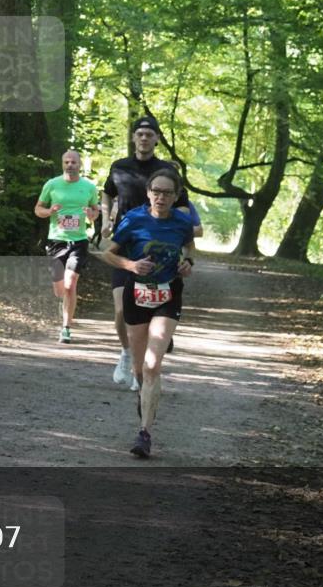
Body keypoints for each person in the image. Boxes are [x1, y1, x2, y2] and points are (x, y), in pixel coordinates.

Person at [100, 166, 194, 458]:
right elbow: (108, 253)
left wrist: (188, 262)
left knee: (153, 365)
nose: (161, 197)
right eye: (156, 191)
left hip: (168, 294)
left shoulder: (182, 222)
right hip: (137, 295)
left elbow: (189, 247)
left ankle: (144, 433)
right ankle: (145, 397)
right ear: (148, 193)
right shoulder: (133, 219)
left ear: (176, 196)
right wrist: (131, 265)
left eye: (167, 193)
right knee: (140, 369)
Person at [100, 116, 199, 390]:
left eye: (149, 134)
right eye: (140, 134)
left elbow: (182, 206)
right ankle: (127, 354)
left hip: (157, 251)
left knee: (154, 309)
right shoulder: (119, 167)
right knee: (121, 309)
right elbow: (107, 193)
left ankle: (146, 362)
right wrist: (107, 218)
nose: (144, 138)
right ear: (133, 137)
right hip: (125, 246)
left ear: (156, 139)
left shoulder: (165, 171)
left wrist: (176, 233)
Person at [34, 150, 100, 343]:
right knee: (60, 290)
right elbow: (38, 209)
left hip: (78, 241)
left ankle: (66, 327)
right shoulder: (52, 185)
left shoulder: (88, 187)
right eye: (66, 162)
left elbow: (95, 211)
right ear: (62, 164)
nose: (70, 165)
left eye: (73, 162)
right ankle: (63, 303)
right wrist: (49, 211)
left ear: (79, 165)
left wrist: (91, 214)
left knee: (70, 285)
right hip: (56, 241)